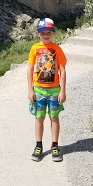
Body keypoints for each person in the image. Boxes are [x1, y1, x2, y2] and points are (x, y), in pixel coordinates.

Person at [27, 17, 67, 162]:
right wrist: (30, 90)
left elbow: (62, 70)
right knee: (39, 118)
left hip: (54, 91)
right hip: (38, 90)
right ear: (38, 34)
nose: (46, 34)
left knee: (54, 118)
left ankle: (55, 145)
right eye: (42, 32)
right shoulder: (34, 49)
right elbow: (30, 69)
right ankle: (38, 146)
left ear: (53, 33)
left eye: (48, 32)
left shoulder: (57, 49)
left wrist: (62, 91)